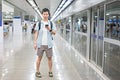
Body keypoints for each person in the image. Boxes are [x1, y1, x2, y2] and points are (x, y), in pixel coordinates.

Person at [34, 8, 56, 78]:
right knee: (39, 59)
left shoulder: (51, 23)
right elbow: (36, 33)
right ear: (42, 14)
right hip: (40, 44)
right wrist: (35, 43)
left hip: (49, 44)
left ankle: (50, 71)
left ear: (48, 15)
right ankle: (37, 71)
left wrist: (49, 29)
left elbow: (54, 33)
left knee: (50, 58)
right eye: (44, 14)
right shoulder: (39, 23)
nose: (45, 15)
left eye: (47, 14)